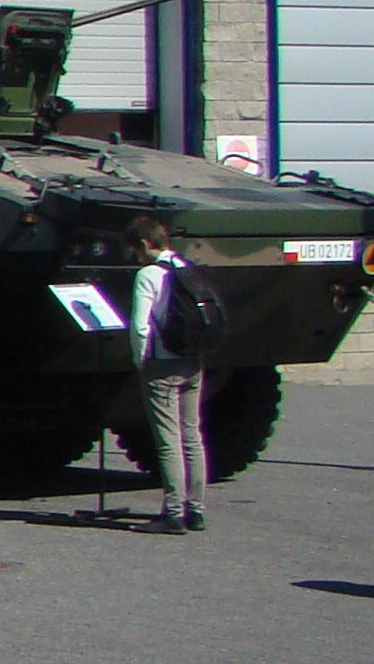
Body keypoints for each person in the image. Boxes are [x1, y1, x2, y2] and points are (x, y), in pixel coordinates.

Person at [128, 216, 209, 535]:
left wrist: (140, 359)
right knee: (192, 436)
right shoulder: (187, 267)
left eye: (135, 251)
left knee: (167, 441)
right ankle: (196, 509)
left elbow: (140, 325)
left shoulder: (148, 275)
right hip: (193, 362)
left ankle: (173, 513)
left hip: (162, 364)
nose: (135, 257)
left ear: (144, 245)